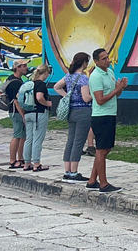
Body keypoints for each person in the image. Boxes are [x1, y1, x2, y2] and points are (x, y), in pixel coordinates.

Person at [87, 48, 128, 193]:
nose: (107, 60)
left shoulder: (110, 72)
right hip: (101, 116)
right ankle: (103, 184)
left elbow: (115, 94)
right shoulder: (96, 76)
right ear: (96, 61)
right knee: (101, 150)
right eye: (103, 58)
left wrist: (120, 87)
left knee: (105, 149)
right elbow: (100, 100)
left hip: (111, 113)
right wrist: (116, 90)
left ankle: (92, 180)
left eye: (107, 57)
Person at [53, 52, 93, 183]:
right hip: (83, 111)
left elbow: (56, 87)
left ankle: (67, 171)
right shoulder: (83, 79)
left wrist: (67, 96)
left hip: (71, 111)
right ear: (84, 63)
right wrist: (97, 94)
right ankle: (74, 172)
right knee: (79, 142)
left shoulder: (69, 76)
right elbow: (86, 98)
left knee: (70, 140)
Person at [22, 64, 52, 172]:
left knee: (28, 139)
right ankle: (37, 163)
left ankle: (26, 163)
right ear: (44, 73)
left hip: (28, 113)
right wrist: (47, 103)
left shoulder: (29, 84)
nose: (47, 76)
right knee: (38, 139)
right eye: (47, 74)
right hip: (39, 113)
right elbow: (39, 97)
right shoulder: (41, 85)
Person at [4, 59, 28, 169]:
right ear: (17, 68)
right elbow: (16, 101)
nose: (26, 68)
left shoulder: (13, 79)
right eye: (23, 66)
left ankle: (20, 158)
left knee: (22, 136)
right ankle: (13, 160)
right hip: (16, 111)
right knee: (17, 135)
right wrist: (23, 115)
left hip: (15, 111)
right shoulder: (15, 83)